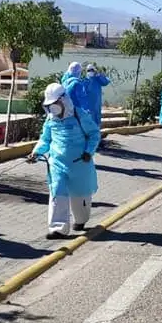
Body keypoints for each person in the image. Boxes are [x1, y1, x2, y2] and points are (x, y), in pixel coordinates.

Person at [29, 82, 100, 240]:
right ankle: (58, 228)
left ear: (64, 100)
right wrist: (36, 153)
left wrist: (89, 151)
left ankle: (81, 221)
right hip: (57, 164)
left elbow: (94, 134)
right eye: (50, 105)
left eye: (56, 104)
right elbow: (45, 139)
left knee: (80, 198)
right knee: (57, 193)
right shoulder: (50, 120)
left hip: (80, 164)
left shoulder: (79, 115)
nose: (53, 108)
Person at [83, 64, 111, 129]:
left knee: (97, 119)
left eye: (92, 70)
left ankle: (97, 134)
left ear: (94, 71)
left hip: (97, 105)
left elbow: (106, 81)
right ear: (86, 71)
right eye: (89, 70)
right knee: (89, 119)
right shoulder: (84, 81)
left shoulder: (98, 79)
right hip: (88, 106)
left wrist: (99, 74)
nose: (90, 71)